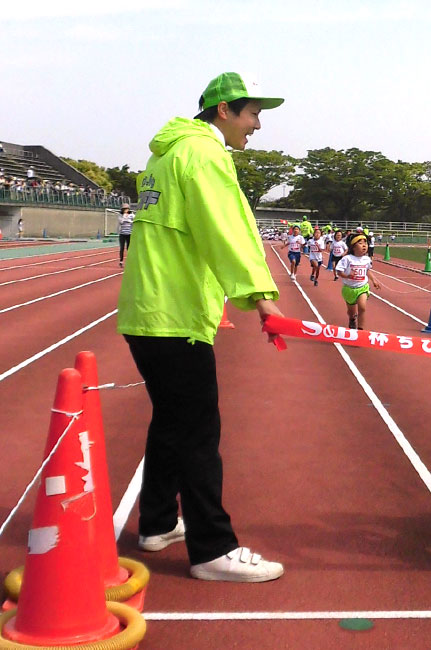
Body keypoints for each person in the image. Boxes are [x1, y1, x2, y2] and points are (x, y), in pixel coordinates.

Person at [117, 72, 287, 582]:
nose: (257, 125)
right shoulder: (205, 154)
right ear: (224, 110)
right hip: (174, 313)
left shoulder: (166, 154)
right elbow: (227, 230)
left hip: (148, 310)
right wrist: (262, 299)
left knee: (172, 423)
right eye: (253, 114)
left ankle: (157, 523)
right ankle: (213, 549)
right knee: (197, 431)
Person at [335, 232, 380, 329]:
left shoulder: (366, 259)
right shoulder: (347, 259)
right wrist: (347, 276)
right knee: (351, 312)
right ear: (353, 247)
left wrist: (374, 280)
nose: (364, 245)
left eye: (365, 243)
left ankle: (360, 329)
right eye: (360, 243)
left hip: (362, 287)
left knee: (362, 308)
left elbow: (367, 270)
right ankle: (352, 319)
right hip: (349, 289)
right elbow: (339, 271)